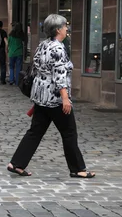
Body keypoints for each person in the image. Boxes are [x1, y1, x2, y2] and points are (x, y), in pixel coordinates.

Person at [7, 14, 96, 179]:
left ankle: (16, 163)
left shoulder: (43, 45)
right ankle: (77, 168)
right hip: (54, 99)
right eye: (64, 26)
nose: (66, 28)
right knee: (69, 132)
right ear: (58, 30)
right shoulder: (58, 48)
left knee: (35, 131)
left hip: (41, 96)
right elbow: (59, 75)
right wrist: (65, 98)